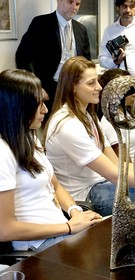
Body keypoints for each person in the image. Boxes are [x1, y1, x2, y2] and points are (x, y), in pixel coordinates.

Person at [43, 56, 135, 216]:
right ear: (73, 87)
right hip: (88, 195)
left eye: (97, 81)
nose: (99, 87)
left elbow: (118, 166)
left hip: (102, 183)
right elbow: (114, 175)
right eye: (91, 83)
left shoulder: (89, 117)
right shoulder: (67, 125)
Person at [0, 69, 102, 252]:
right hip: (38, 244)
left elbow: (55, 185)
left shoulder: (28, 137)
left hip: (60, 228)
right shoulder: (3, 152)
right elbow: (5, 230)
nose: (45, 110)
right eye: (37, 104)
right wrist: (69, 227)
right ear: (18, 107)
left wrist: (74, 211)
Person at [15, 0, 91, 117]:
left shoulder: (82, 29)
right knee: (52, 128)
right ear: (59, 1)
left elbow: (86, 62)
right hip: (49, 90)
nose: (74, 7)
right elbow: (22, 57)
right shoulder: (41, 23)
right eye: (70, 2)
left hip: (75, 89)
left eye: (77, 4)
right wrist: (36, 87)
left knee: (74, 125)